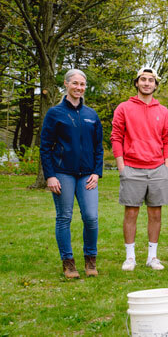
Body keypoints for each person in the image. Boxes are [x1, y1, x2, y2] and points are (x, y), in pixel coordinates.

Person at [40, 69, 103, 278]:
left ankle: (90, 261)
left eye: (82, 84)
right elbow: (45, 147)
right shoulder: (55, 113)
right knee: (64, 217)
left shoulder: (91, 115)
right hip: (62, 173)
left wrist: (97, 172)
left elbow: (98, 147)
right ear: (66, 84)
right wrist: (50, 175)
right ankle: (68, 263)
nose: (79, 88)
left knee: (91, 218)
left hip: (87, 175)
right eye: (75, 83)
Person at [111, 67, 168, 271]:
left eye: (151, 80)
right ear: (137, 83)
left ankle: (152, 257)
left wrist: (166, 165)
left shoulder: (162, 111)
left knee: (156, 213)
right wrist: (121, 166)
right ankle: (130, 257)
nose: (147, 83)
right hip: (132, 168)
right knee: (131, 213)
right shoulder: (124, 108)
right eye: (143, 80)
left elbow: (167, 139)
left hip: (157, 169)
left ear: (156, 85)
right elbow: (116, 137)